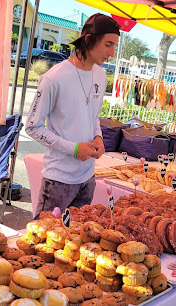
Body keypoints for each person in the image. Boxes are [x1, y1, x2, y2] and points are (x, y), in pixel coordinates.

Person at [25, 13, 120, 220]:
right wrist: (74, 148)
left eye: (114, 46)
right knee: (42, 240)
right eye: (108, 45)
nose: (112, 53)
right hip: (59, 179)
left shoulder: (101, 75)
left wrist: (98, 137)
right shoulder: (53, 78)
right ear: (88, 40)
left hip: (88, 178)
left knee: (75, 241)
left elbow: (93, 114)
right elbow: (32, 126)